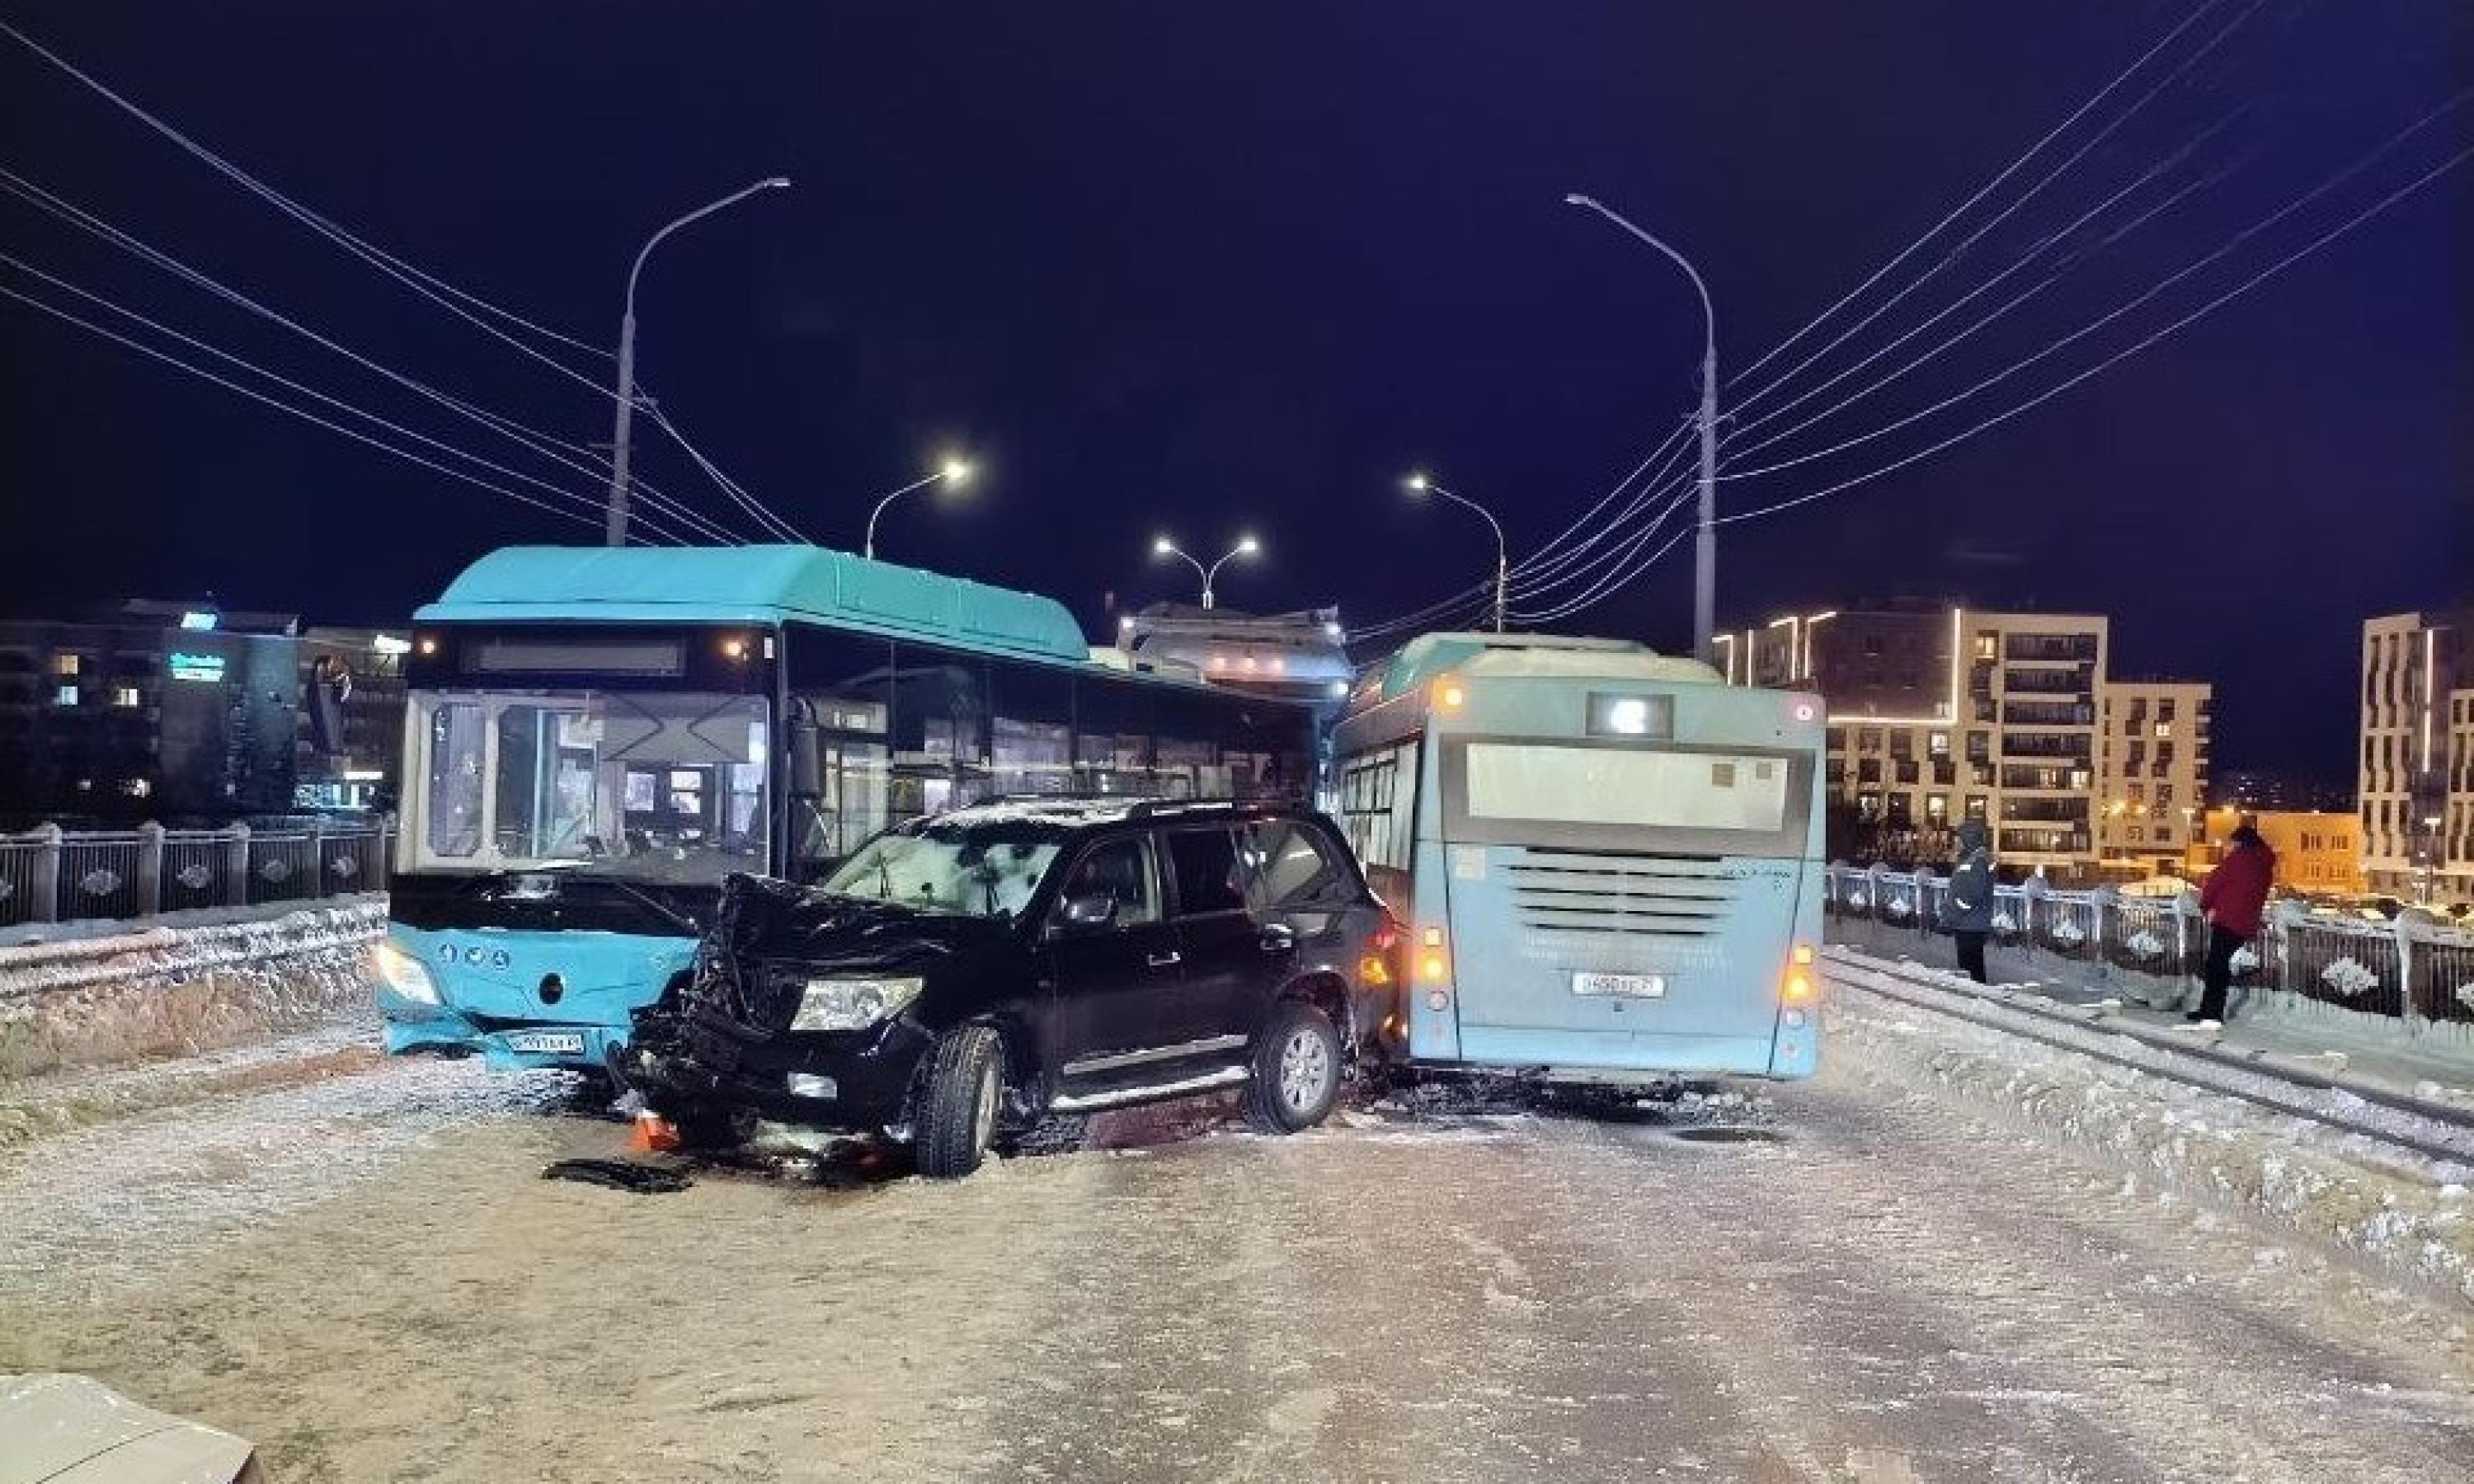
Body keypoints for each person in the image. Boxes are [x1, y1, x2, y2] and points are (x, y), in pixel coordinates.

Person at [2191, 823, 2276, 1025]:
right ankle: (2210, 1010)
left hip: (2227, 919)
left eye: (2234, 843)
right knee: (2221, 964)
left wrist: (2205, 905)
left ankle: (2211, 1012)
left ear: (2241, 842)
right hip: (2247, 921)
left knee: (2215, 966)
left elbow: (2215, 882)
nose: (2231, 847)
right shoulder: (2265, 864)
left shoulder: (2238, 859)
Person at [1940, 819, 1997, 984]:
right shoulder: (1975, 858)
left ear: (1968, 839)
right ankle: (1975, 1000)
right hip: (1972, 922)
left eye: (1959, 838)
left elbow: (1970, 896)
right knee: (1972, 967)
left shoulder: (1977, 861)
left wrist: (1951, 915)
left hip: (1969, 923)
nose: (1956, 841)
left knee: (1970, 968)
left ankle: (1975, 1001)